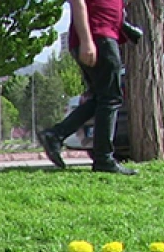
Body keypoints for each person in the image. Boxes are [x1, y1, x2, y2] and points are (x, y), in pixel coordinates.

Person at [38, 0, 136, 175]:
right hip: (98, 38)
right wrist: (86, 40)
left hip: (102, 36)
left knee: (102, 98)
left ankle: (55, 135)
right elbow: (78, 2)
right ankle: (104, 159)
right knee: (110, 98)